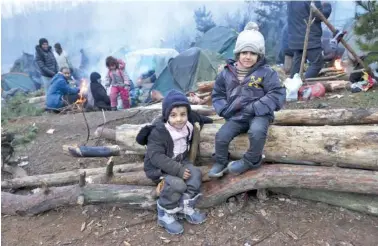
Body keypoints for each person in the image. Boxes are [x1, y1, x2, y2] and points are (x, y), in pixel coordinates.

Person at [208, 22, 286, 178]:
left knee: (257, 132)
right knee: (221, 136)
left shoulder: (266, 72)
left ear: (259, 56)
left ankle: (251, 160)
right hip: (237, 115)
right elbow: (217, 94)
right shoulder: (226, 73)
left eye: (253, 53)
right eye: (244, 52)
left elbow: (277, 94)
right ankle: (221, 161)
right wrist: (223, 109)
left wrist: (256, 107)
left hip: (260, 114)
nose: (248, 57)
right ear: (238, 53)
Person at [135, 89, 213, 234]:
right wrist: (178, 170)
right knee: (177, 184)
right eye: (173, 115)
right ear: (166, 115)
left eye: (183, 114)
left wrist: (209, 120)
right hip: (159, 168)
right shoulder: (159, 132)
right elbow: (156, 157)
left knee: (195, 174)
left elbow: (198, 118)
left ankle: (185, 205)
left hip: (180, 160)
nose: (179, 119)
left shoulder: (188, 122)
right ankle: (165, 212)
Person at [288, 1, 332, 78]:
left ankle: (291, 86)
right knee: (317, 64)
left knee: (297, 66)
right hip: (310, 39)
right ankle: (300, 84)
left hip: (295, 38)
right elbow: (319, 16)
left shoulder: (292, 2)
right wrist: (327, 6)